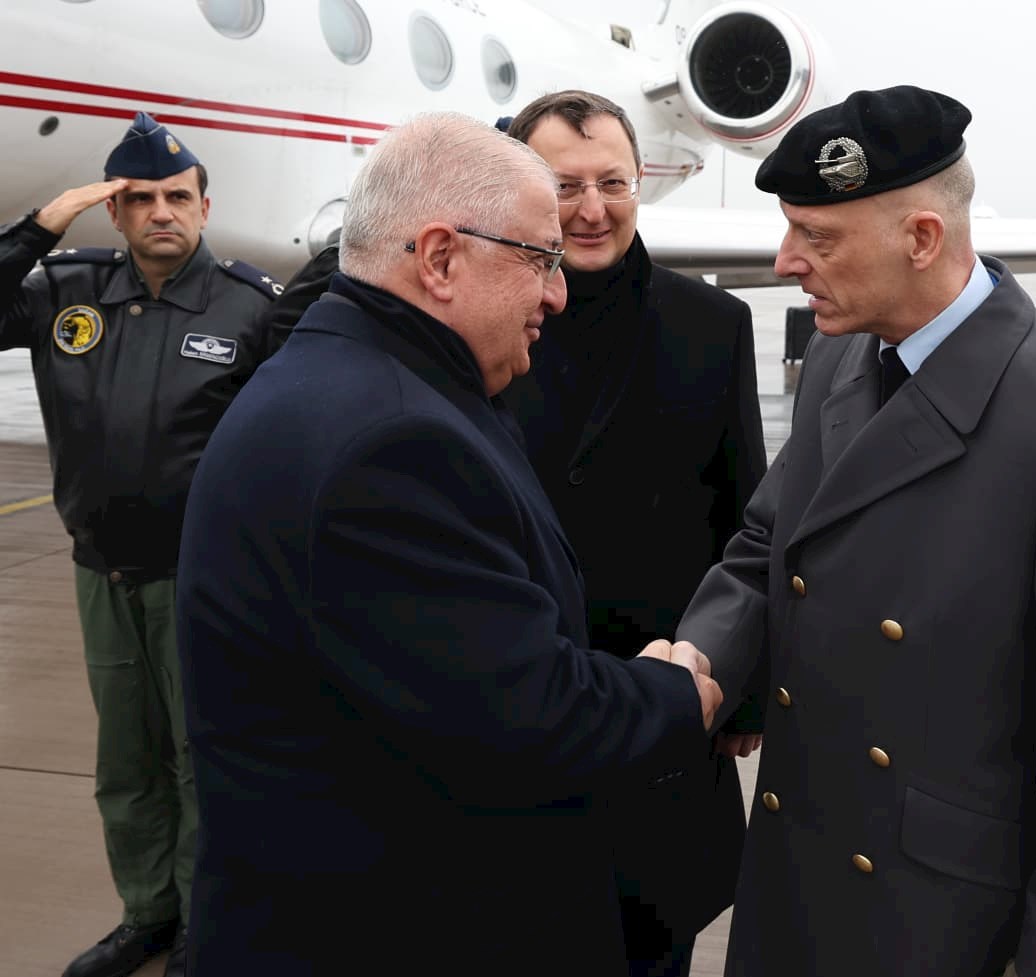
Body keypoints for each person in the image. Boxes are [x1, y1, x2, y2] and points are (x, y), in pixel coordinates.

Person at [174, 112, 722, 976]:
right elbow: (524, 718)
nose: (557, 294)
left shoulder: (351, 377)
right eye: (539, 259)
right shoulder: (390, 444)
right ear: (438, 258)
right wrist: (674, 694)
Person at [675, 86, 1036, 977]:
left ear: (921, 238)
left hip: (935, 923)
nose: (786, 261)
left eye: (818, 237)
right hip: (795, 884)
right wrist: (699, 656)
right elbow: (769, 546)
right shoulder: (840, 353)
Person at [0, 111, 278, 977]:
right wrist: (40, 226)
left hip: (204, 582)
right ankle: (147, 915)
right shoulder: (65, 290)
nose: (163, 212)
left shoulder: (250, 307)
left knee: (203, 761)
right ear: (114, 213)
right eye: (143, 198)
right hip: (102, 573)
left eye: (178, 197)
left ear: (204, 207)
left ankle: (206, 921)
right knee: (125, 765)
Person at [502, 90, 766, 977]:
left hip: (664, 700)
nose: (592, 208)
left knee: (652, 941)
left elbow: (745, 515)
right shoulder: (478, 321)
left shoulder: (712, 324)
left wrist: (741, 689)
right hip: (522, 702)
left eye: (613, 182)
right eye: (565, 184)